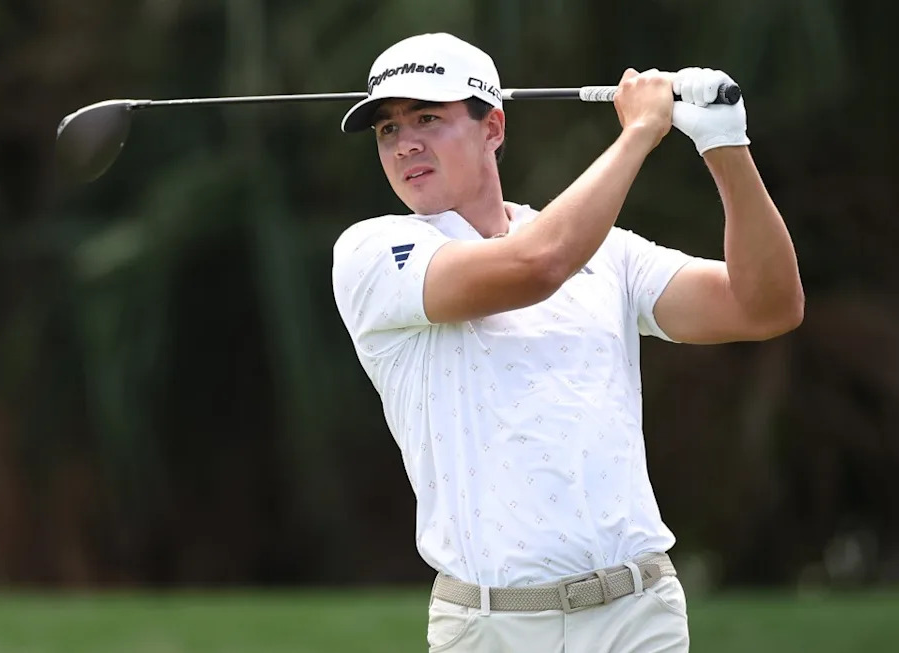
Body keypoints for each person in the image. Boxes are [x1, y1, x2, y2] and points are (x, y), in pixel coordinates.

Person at [331, 32, 803, 653]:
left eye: (428, 118)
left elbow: (765, 305)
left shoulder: (607, 254)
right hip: (491, 624)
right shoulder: (372, 253)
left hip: (639, 614)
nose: (406, 143)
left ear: (492, 127)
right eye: (387, 130)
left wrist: (724, 144)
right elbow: (537, 265)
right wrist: (638, 133)